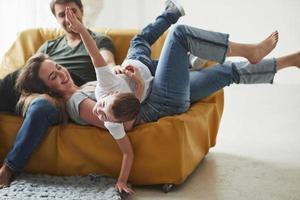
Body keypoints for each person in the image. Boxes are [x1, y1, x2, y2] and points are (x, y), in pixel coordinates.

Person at [15, 0, 300, 195]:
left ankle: (287, 62)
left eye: (59, 68)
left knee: (226, 73)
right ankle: (244, 50)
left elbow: (96, 56)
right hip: (161, 98)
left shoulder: (92, 86)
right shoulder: (83, 104)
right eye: (54, 77)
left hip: (164, 92)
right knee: (178, 35)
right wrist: (137, 89)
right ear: (49, 89)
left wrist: (123, 180)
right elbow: (121, 120)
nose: (63, 74)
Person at [0, 0, 116, 188]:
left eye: (72, 11)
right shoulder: (49, 47)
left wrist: (115, 71)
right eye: (62, 14)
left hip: (64, 92)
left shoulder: (99, 40)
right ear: (56, 18)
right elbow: (29, 71)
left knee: (41, 107)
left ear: (82, 11)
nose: (68, 17)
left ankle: (8, 169)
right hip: (32, 87)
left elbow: (107, 63)